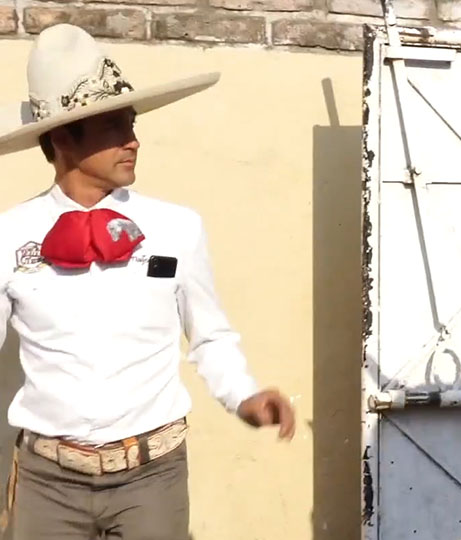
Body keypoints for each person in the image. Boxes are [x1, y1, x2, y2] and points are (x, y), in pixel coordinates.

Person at [0, 23, 296, 539]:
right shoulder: (10, 235)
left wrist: (244, 396)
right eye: (114, 126)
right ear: (64, 138)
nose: (133, 140)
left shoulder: (176, 228)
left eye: (131, 123)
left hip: (151, 478)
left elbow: (210, 335)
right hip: (47, 482)